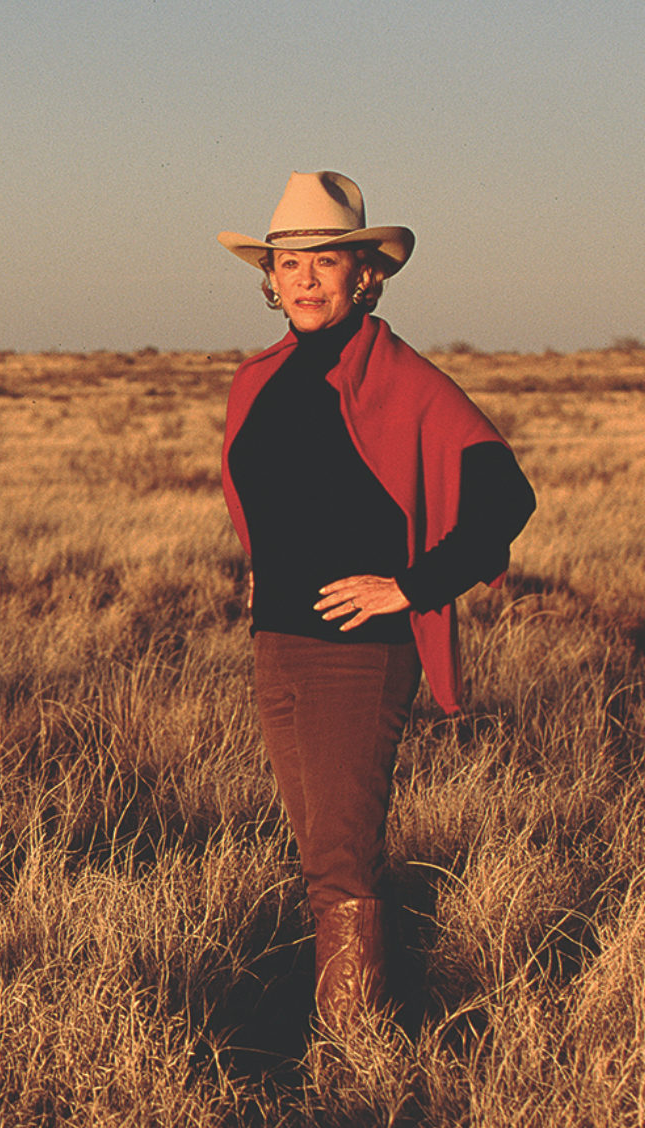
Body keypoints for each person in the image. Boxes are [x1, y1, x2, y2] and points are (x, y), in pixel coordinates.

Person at [217, 171, 535, 1036]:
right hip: (277, 642)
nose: (306, 280)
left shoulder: (402, 377)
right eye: (289, 264)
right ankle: (347, 1033)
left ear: (367, 275)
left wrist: (413, 585)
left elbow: (505, 499)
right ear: (269, 279)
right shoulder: (262, 379)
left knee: (340, 857)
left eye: (326, 262)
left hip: (357, 650)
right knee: (321, 849)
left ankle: (354, 1065)